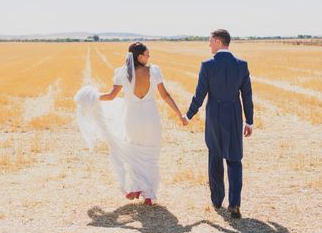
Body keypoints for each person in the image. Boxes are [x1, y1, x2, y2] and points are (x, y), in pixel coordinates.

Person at [74, 42, 186, 205]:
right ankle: (149, 194)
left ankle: (136, 188)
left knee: (134, 152)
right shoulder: (154, 71)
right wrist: (180, 114)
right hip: (150, 118)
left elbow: (111, 96)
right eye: (147, 54)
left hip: (131, 119)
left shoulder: (122, 73)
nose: (149, 57)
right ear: (139, 56)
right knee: (151, 156)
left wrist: (93, 96)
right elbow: (165, 95)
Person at [184, 29, 254, 218]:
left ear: (217, 41)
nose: (208, 45)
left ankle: (217, 200)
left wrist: (188, 115)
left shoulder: (207, 65)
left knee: (215, 158)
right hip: (234, 116)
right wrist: (249, 122)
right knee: (234, 160)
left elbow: (200, 94)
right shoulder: (241, 65)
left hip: (214, 116)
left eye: (210, 41)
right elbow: (247, 95)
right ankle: (235, 203)